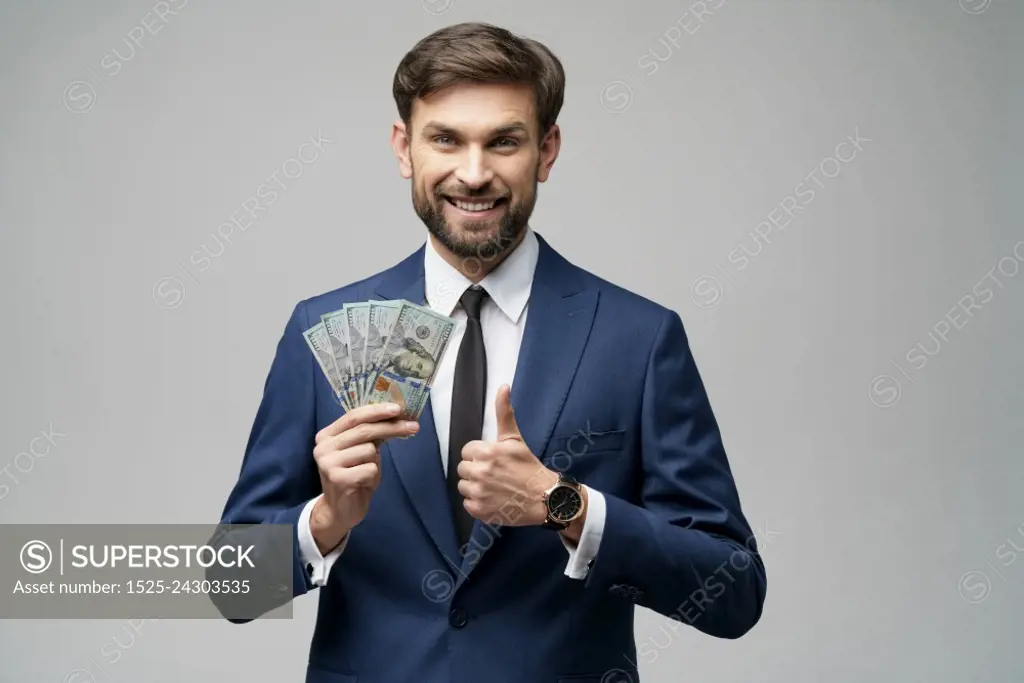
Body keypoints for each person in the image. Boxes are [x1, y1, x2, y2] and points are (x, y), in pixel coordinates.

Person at [217, 21, 766, 683]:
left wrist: (568, 505)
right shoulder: (322, 329)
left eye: (503, 141)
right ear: (404, 148)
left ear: (546, 150)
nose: (473, 174)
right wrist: (327, 517)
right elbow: (232, 586)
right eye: (445, 139)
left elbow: (734, 591)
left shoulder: (639, 338)